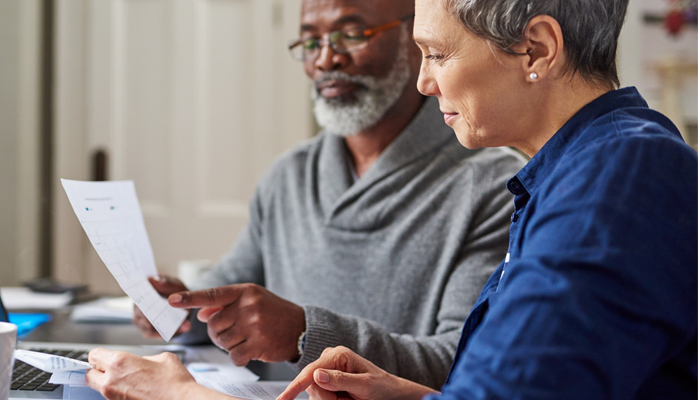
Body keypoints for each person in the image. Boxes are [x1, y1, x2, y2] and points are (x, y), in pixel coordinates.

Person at [83, 0, 697, 398]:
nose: (426, 80)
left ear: (535, 48)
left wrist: (180, 396)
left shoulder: (616, 177)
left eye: (436, 53)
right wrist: (403, 392)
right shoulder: (574, 172)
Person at [132, 0, 525, 389]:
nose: (325, 60)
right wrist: (180, 310)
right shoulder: (290, 175)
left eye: (351, 35)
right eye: (310, 42)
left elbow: (463, 360)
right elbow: (230, 297)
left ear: (416, 38)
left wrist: (305, 334)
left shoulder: (495, 187)